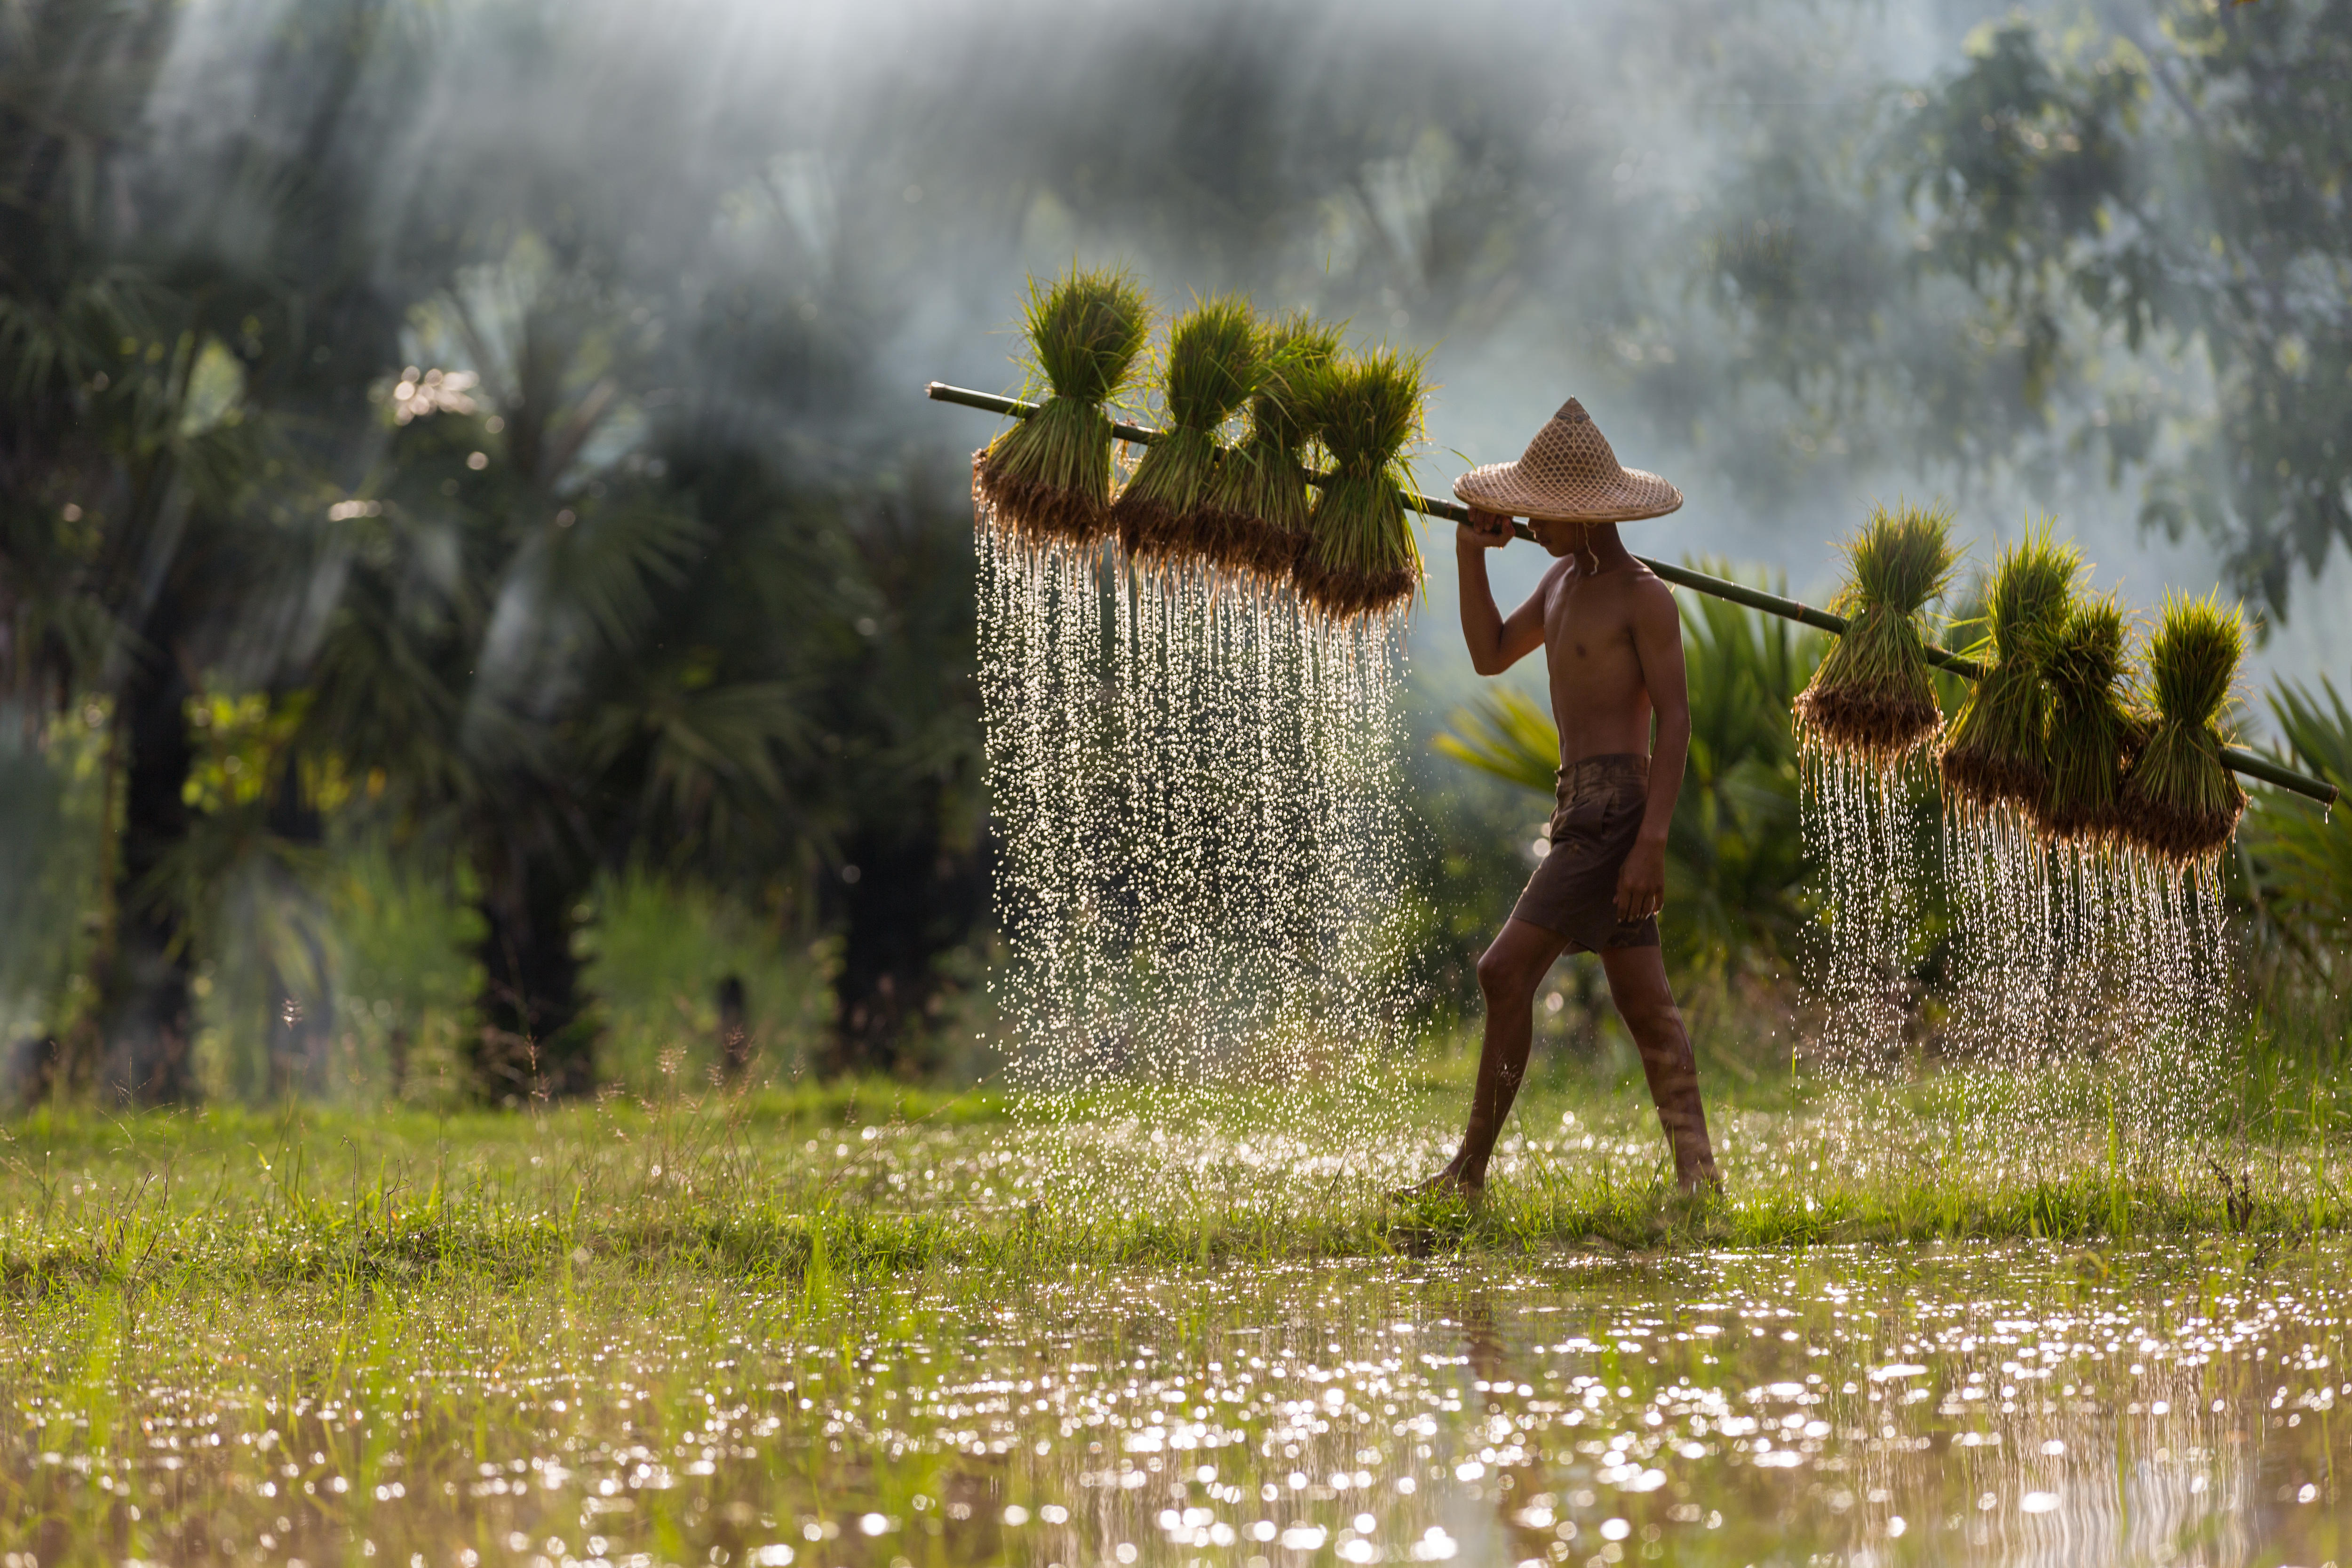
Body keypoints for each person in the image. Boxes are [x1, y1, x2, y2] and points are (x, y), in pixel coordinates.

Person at [1400, 398, 1721, 1200]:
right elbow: (1489, 653)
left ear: (1587, 515)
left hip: (1616, 811)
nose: (1533, 521)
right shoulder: (1557, 580)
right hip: (1576, 805)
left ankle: (1466, 1175)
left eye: (1548, 511)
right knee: (1646, 1004)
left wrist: (1650, 842)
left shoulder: (1644, 597)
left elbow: (1676, 724)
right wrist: (1471, 554)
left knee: (1503, 971)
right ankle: (1700, 1179)